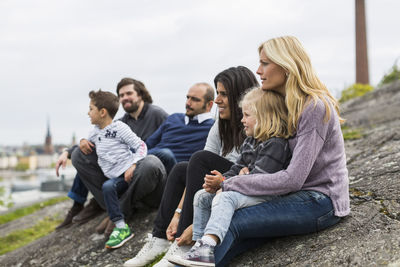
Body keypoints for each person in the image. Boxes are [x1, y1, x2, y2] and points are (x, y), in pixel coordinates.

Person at [212, 36, 349, 266]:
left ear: (286, 66)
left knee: (233, 222)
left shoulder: (314, 106)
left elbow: (293, 179)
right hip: (292, 197)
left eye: (265, 63)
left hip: (320, 200)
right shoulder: (285, 104)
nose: (258, 70)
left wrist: (229, 183)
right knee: (228, 235)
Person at [123, 66, 259, 267]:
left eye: (223, 94)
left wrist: (194, 224)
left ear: (240, 97)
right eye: (217, 93)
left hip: (239, 185)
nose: (218, 100)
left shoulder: (256, 122)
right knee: (181, 169)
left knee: (199, 159)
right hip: (219, 181)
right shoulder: (219, 124)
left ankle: (187, 243)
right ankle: (160, 239)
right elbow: (195, 170)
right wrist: (177, 215)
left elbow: (255, 170)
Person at [168, 88, 291, 266]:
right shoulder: (250, 141)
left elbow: (260, 180)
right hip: (247, 189)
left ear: (265, 117)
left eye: (247, 115)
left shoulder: (276, 143)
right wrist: (219, 182)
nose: (242, 120)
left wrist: (226, 184)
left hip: (267, 195)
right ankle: (197, 246)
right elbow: (237, 168)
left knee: (225, 197)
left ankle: (207, 246)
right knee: (201, 196)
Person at [55, 78, 168, 231]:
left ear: (140, 95)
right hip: (121, 173)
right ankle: (94, 206)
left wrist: (136, 162)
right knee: (79, 154)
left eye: (129, 93)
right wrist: (68, 151)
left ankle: (118, 211)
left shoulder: (157, 114)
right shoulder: (119, 123)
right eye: (121, 95)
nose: (124, 98)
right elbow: (97, 138)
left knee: (153, 160)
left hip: (147, 168)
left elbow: (167, 142)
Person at [85, 90, 147, 249]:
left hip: (128, 175)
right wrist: (81, 142)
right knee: (108, 187)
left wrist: (134, 164)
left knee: (108, 187)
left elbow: (141, 146)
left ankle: (120, 228)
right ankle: (117, 221)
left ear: (103, 112)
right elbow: (87, 140)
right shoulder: (96, 131)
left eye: (91, 109)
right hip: (113, 177)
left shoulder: (119, 127)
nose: (88, 112)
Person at [146, 82, 215, 173]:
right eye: (188, 97)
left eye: (194, 99)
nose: (188, 103)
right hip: (150, 163)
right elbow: (147, 145)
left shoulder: (213, 128)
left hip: (175, 174)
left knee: (166, 154)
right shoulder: (173, 118)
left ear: (209, 105)